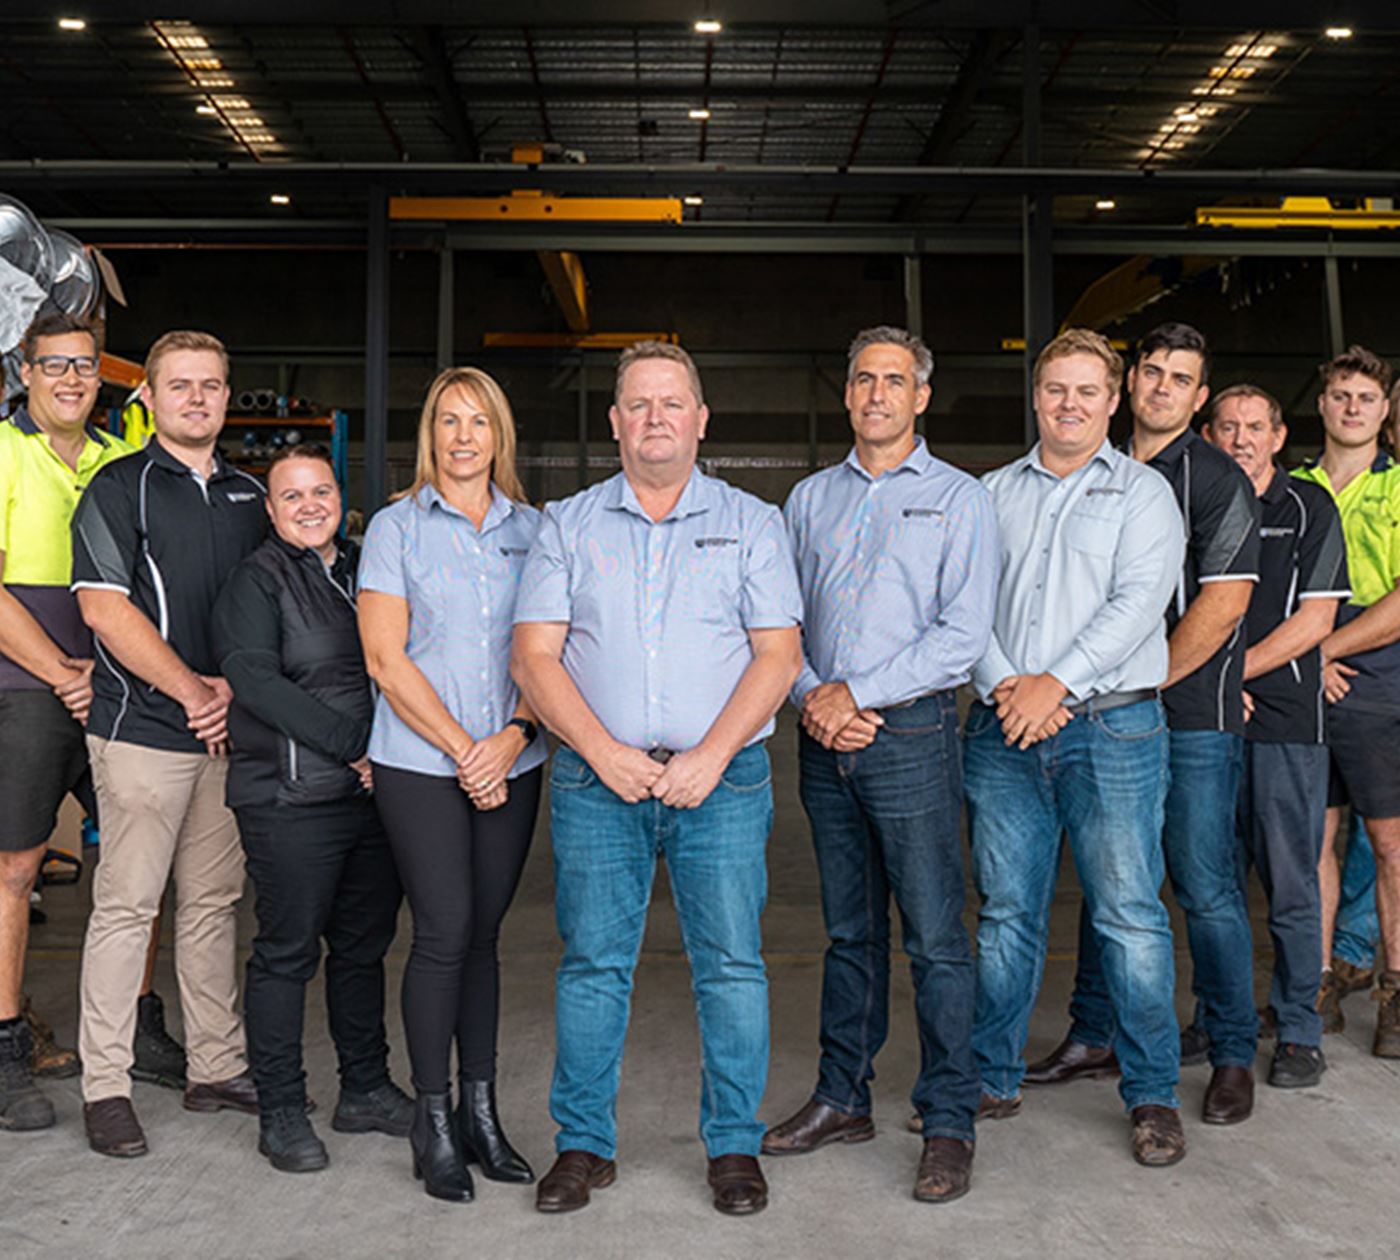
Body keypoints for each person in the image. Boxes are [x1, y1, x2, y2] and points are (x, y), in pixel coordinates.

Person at [512, 341, 802, 1217]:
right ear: (614, 422)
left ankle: (734, 1147)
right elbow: (534, 658)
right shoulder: (566, 523)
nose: (655, 419)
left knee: (732, 967)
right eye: (638, 404)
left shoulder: (753, 523)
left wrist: (711, 755)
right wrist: (603, 753)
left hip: (724, 781)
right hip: (600, 783)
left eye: (672, 403)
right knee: (594, 964)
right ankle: (583, 1145)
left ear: (701, 419)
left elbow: (778, 656)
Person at [760, 326, 997, 1204]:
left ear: (921, 396)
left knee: (935, 936)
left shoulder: (960, 499)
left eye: (894, 381)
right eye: (863, 379)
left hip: (910, 737)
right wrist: (819, 698)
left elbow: (963, 639)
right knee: (849, 930)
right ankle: (841, 1097)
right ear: (847, 392)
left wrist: (855, 693)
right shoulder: (809, 500)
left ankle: (948, 1118)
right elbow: (779, 625)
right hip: (826, 743)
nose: (876, 395)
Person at [1032, 322, 1263, 1126]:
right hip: (1091, 711)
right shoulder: (1082, 462)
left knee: (1202, 886)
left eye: (1181, 379)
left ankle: (1232, 1050)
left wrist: (1142, 674)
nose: (1162, 387)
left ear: (1200, 399)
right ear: (1129, 381)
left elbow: (1225, 602)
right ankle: (1095, 1033)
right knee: (1110, 880)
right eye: (1153, 372)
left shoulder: (1216, 479)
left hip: (1188, 711)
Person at [967, 328, 1185, 1165]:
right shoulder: (988, 493)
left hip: (1113, 727)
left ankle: (1152, 1093)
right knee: (1006, 913)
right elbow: (967, 602)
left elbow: (1137, 605)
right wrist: (1003, 686)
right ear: (1036, 395)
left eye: (1087, 391)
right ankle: (991, 1075)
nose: (1069, 405)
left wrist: (1050, 685)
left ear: (1114, 397)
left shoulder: (1143, 495)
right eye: (1056, 389)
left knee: (1129, 915)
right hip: (1002, 727)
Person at [70, 330, 266, 1156]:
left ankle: (215, 1067)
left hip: (229, 736)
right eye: (180, 385)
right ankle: (105, 1084)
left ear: (227, 397)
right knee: (127, 906)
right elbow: (104, 610)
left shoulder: (253, 496)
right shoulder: (118, 489)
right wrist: (193, 691)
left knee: (215, 904)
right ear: (148, 397)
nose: (197, 399)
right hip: (144, 733)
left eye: (211, 386)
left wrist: (237, 702)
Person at [359, 367, 546, 1203]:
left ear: (498, 436)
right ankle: (430, 1123)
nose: (463, 437)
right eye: (448, 422)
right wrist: (466, 748)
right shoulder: (396, 529)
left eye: (479, 422)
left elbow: (558, 654)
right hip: (419, 763)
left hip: (514, 756)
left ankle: (481, 1113)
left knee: (483, 936)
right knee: (441, 930)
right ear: (428, 435)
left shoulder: (538, 532)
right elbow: (385, 659)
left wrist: (510, 739)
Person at [212, 443, 412, 1173]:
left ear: (340, 497)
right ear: (270, 510)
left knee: (362, 947)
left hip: (370, 797)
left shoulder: (367, 568)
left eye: (320, 492)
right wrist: (359, 745)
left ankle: (364, 1088)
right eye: (291, 496)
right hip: (291, 800)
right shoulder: (254, 583)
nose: (309, 506)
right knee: (287, 953)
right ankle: (283, 1110)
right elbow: (256, 682)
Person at [0, 312, 130, 1131]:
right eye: (55, 366)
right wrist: (62, 674)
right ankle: (7, 1043)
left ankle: (134, 1031)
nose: (72, 380)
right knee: (14, 868)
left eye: (84, 366)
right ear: (25, 368)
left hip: (118, 692)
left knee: (134, 865)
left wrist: (101, 679)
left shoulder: (122, 461)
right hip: (23, 686)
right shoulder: (3, 452)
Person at [1203, 385, 1348, 1087]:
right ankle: (1217, 1016)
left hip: (1286, 724)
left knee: (1289, 883)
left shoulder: (1308, 508)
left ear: (1278, 435)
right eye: (1227, 427)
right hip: (1207, 721)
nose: (1240, 439)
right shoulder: (1196, 504)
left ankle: (1297, 1028)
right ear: (1208, 434)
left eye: (1253, 427)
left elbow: (1315, 621)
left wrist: (1232, 677)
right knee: (1212, 882)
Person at [1293, 345, 1400, 1058]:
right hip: (1303, 672)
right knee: (1313, 838)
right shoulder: (1290, 487)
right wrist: (1305, 654)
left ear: (1385, 411)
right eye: (1340, 395)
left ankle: (1396, 990)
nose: (1352, 407)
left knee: (1390, 841)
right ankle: (1319, 982)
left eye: (1366, 397)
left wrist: (1324, 650)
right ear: (1323, 405)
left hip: (1376, 670)